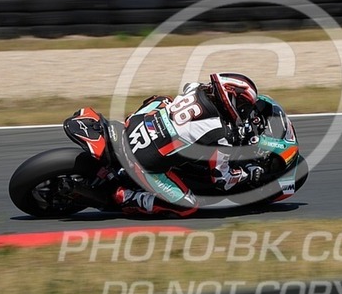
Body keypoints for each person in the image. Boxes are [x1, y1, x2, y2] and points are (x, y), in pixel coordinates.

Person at [113, 72, 265, 218]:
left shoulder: (196, 88)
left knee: (163, 100)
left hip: (134, 125)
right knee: (187, 206)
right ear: (231, 99)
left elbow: (188, 86)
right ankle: (127, 197)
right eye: (245, 105)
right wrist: (247, 173)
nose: (245, 111)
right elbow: (222, 180)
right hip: (142, 162)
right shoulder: (221, 134)